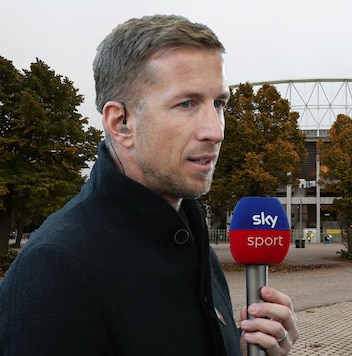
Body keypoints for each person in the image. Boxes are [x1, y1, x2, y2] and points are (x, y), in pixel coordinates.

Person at [0, 15, 298, 355]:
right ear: (121, 122)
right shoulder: (56, 271)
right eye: (186, 104)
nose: (214, 130)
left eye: (219, 104)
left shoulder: (193, 239)